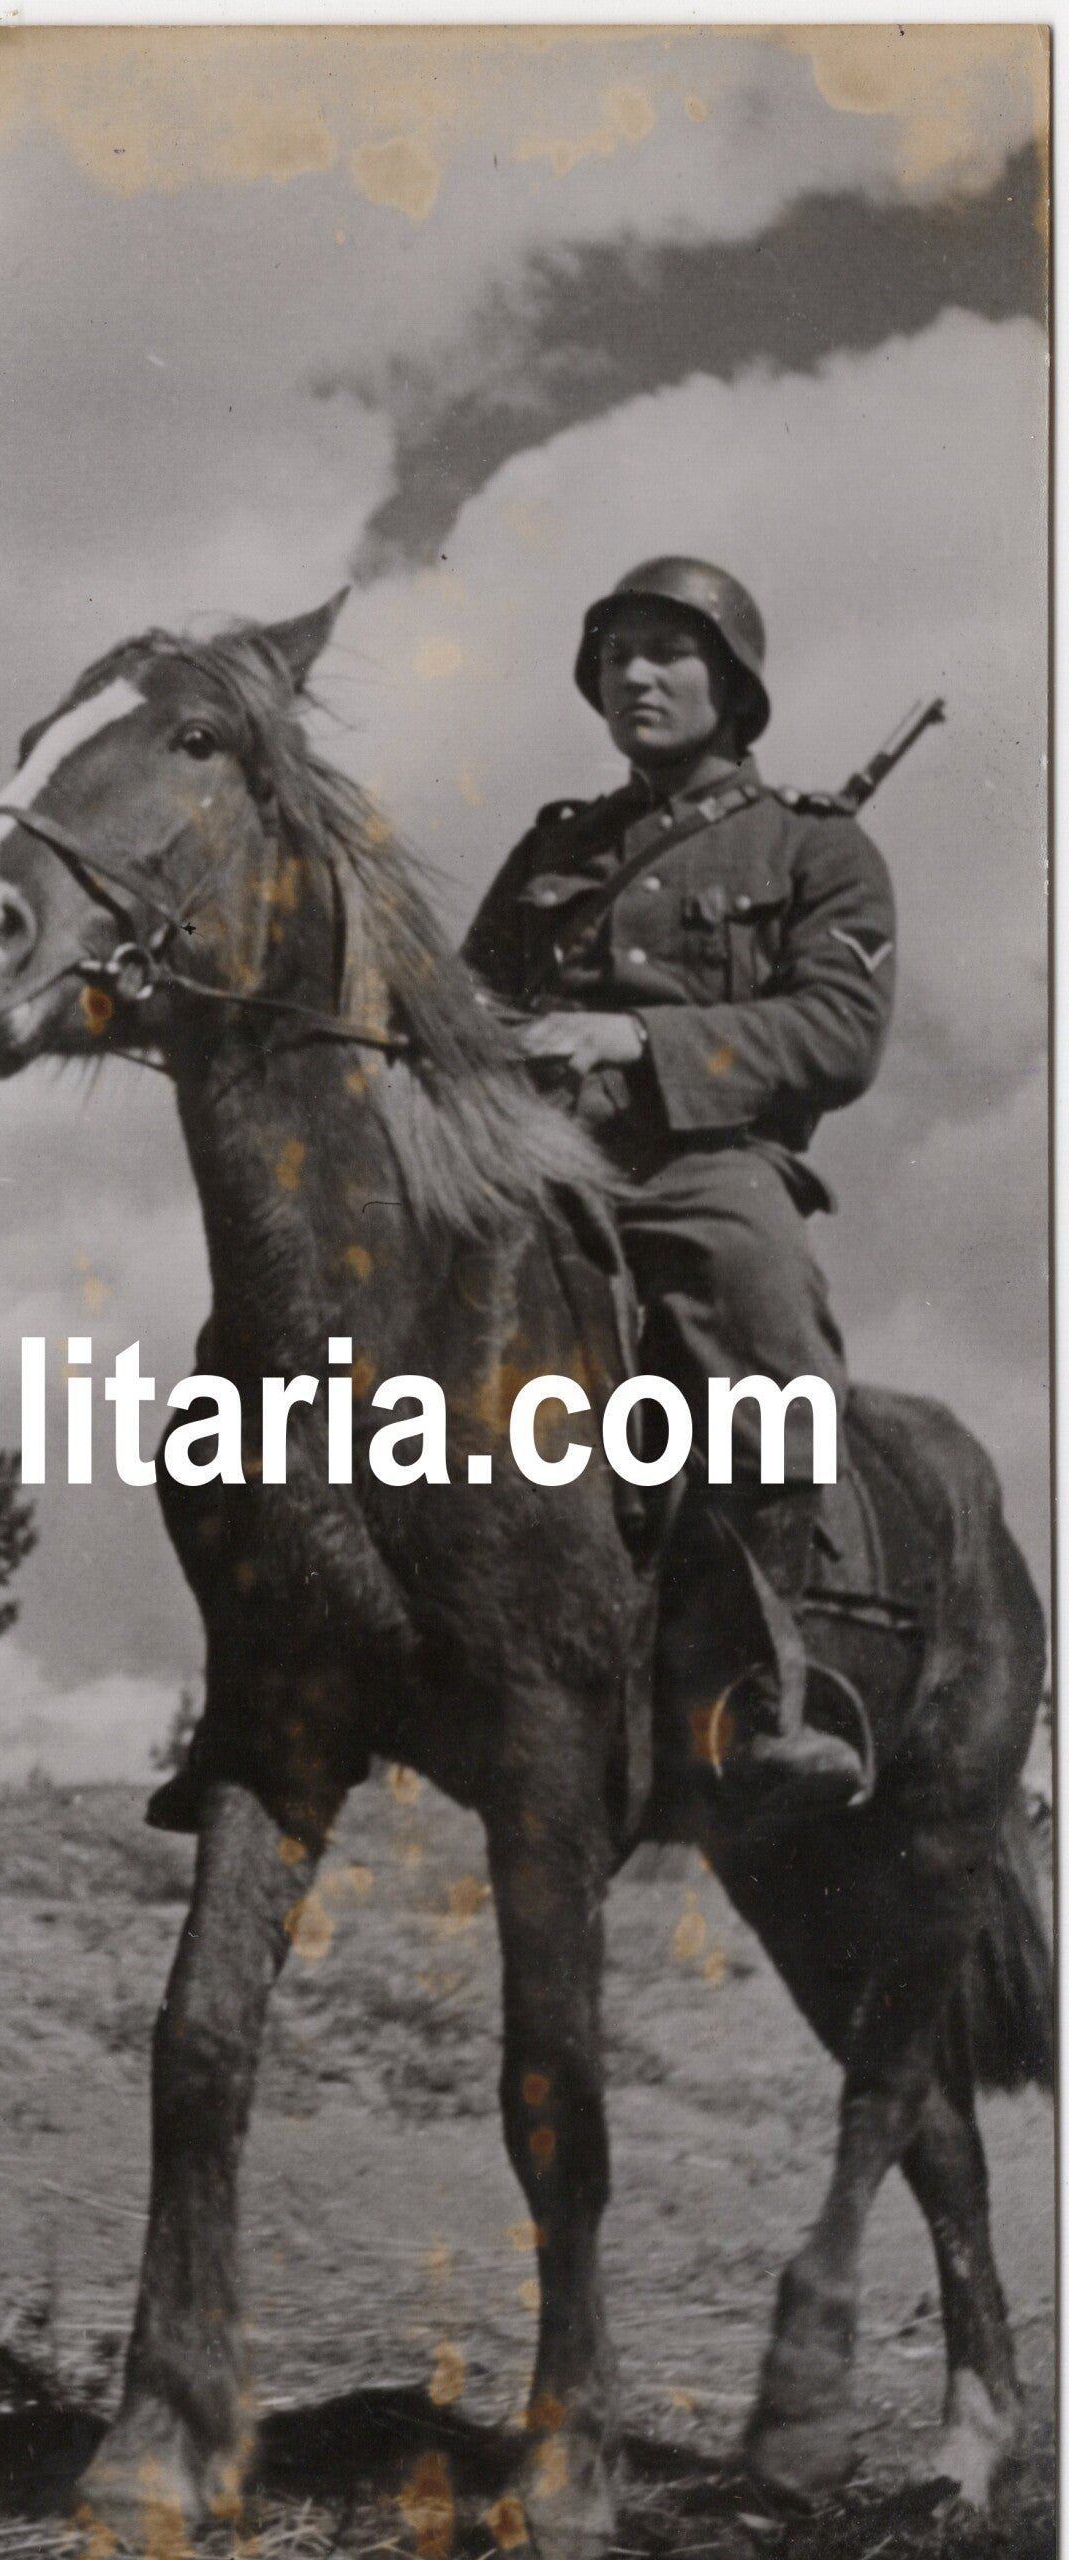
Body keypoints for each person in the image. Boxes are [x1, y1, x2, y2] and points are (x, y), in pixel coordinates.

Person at [462, 557, 897, 1810]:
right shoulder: (555, 845)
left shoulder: (819, 844)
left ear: (735, 682)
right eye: (613, 658)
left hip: (694, 1160)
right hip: (531, 1147)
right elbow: (468, 994)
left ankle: (765, 1691)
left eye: (665, 652)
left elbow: (837, 1031)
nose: (633, 677)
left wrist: (637, 1042)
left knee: (761, 1296)